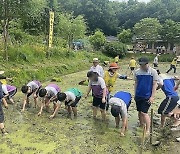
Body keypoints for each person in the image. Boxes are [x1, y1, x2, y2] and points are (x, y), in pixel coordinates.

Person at [134, 57, 158, 136]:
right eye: (140, 65)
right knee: (139, 111)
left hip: (147, 96)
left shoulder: (153, 72)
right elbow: (136, 83)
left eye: (143, 65)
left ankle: (148, 129)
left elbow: (154, 85)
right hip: (138, 94)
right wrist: (135, 93)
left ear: (147, 64)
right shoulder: (137, 72)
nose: (142, 66)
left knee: (144, 113)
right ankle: (141, 124)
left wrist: (152, 96)